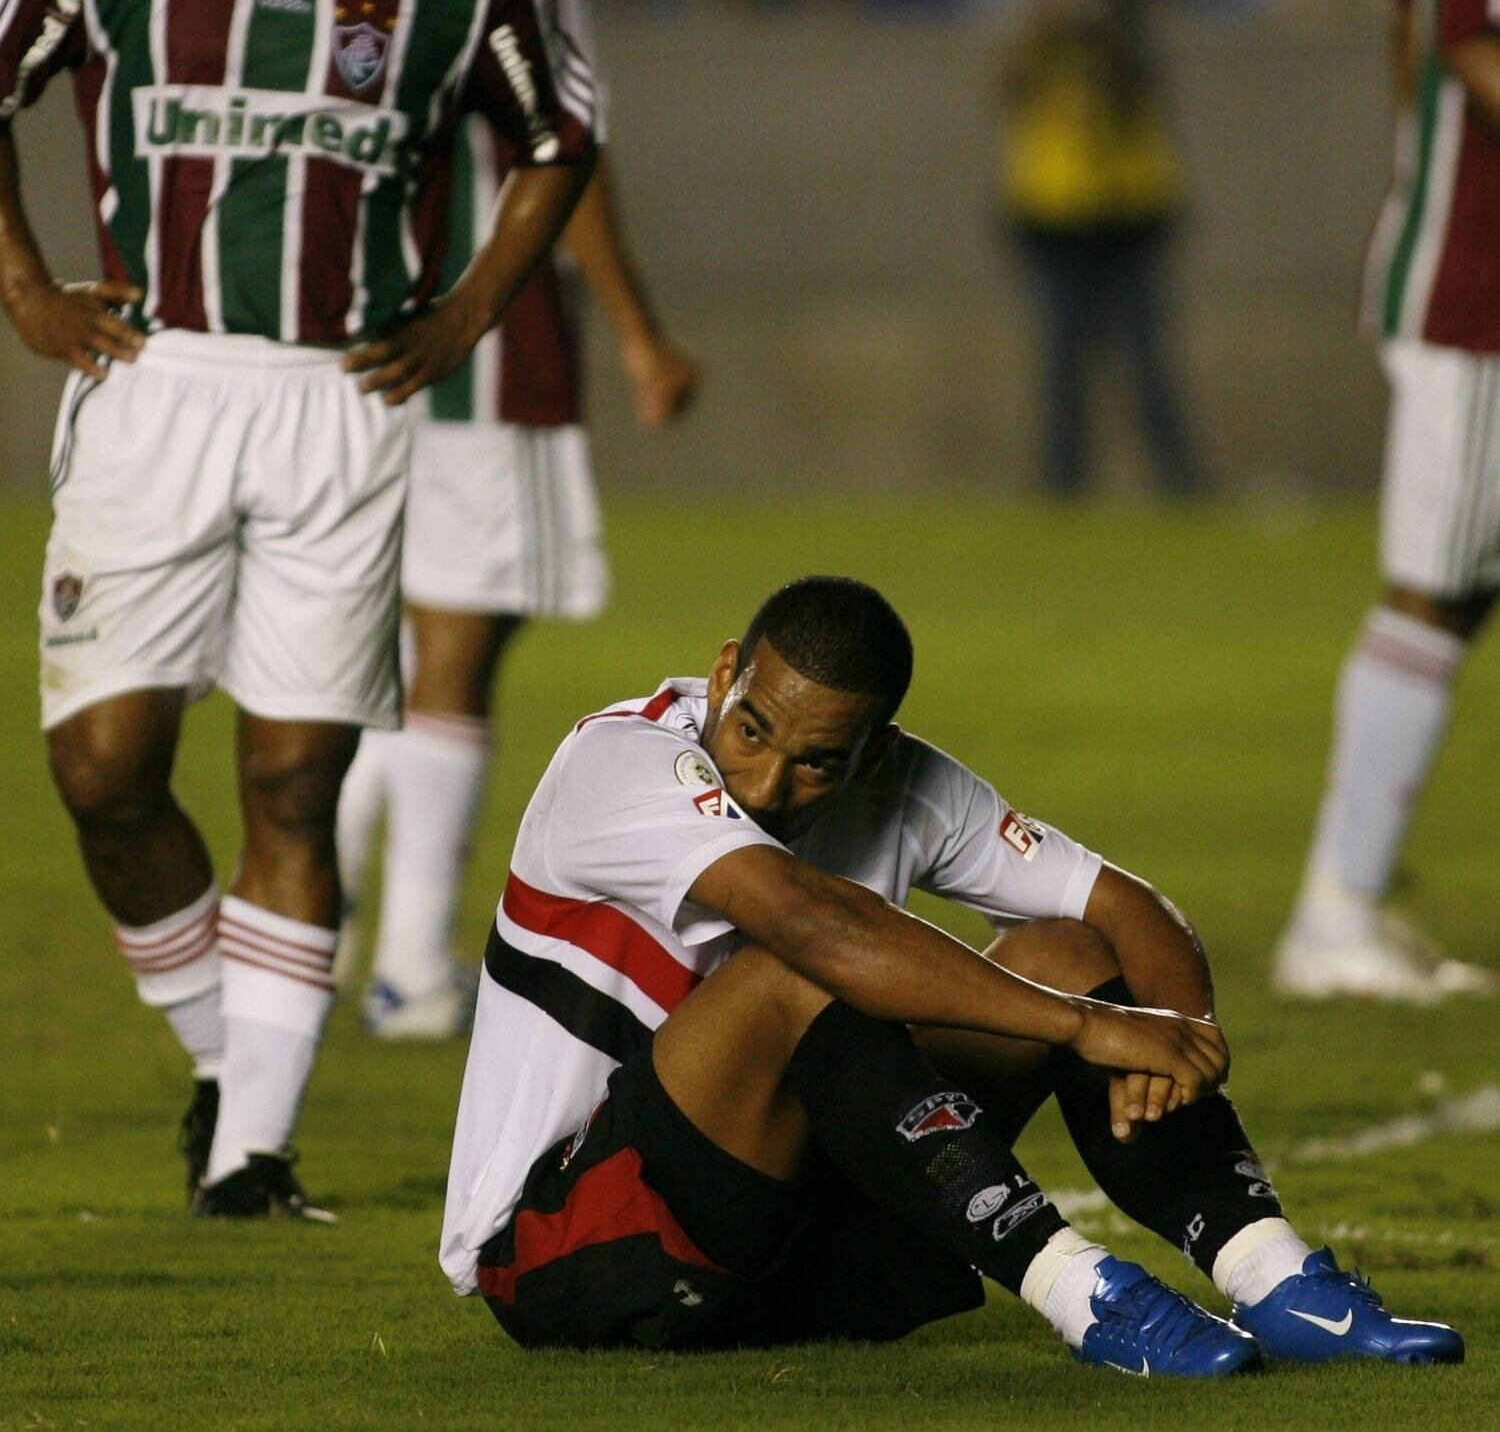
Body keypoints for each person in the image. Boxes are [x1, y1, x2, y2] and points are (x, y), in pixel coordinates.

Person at [0, 0, 597, 1219]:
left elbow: (558, 137)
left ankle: (255, 1151)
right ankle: (217, 1051)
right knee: (105, 771)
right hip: (155, 379)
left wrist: (467, 309)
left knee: (292, 780)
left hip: (342, 399)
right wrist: (32, 293)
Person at [442, 574, 1462, 1370]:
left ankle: (1274, 1274)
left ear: (871, 751)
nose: (764, 779)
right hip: (569, 1254)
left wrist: (1175, 1032)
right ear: (723, 675)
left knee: (1068, 950)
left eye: (815, 761)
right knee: (790, 971)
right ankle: (1084, 1293)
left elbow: (1124, 904)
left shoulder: (905, 780)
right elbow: (810, 920)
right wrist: (1083, 1027)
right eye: (751, 729)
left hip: (797, 1255)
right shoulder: (618, 762)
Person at [335, 0, 701, 1039]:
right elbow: (556, 124)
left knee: (360, 632)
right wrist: (636, 325)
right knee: (456, 643)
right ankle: (413, 958)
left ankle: (322, 913)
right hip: (474, 308)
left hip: (327, 303)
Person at [1273, 0, 1500, 1004]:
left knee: (1463, 584)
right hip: (1482, 280)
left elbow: (1416, 20)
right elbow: (1467, 34)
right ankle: (1333, 913)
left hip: (1464, 243)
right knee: (1433, 582)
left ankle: (1348, 901)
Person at [994, 0, 1204, 496]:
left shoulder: (1126, 42)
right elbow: (1007, 89)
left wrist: (1110, 35)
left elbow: (1135, 96)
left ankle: (1180, 482)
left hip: (1128, 217)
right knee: (1061, 364)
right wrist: (1044, 31)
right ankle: (1064, 485)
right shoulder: (1032, 45)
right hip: (1053, 217)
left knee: (1148, 361)